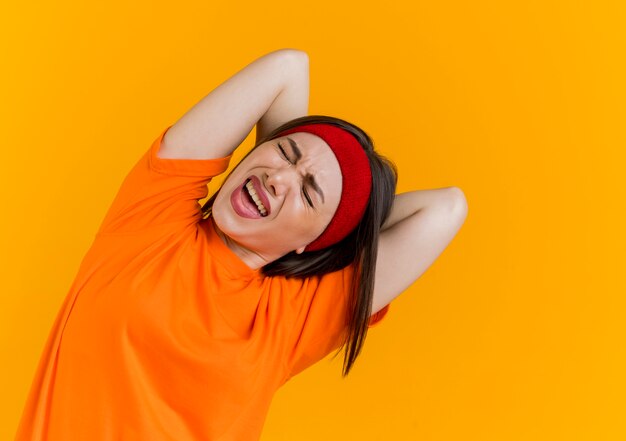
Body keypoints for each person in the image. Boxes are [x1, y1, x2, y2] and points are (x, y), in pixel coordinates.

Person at [15, 49, 467, 440]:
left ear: (314, 242)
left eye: (310, 193)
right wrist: (315, 197)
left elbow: (447, 209)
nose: (280, 177)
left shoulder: (296, 318)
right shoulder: (152, 217)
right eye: (285, 153)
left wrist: (352, 219)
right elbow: (288, 67)